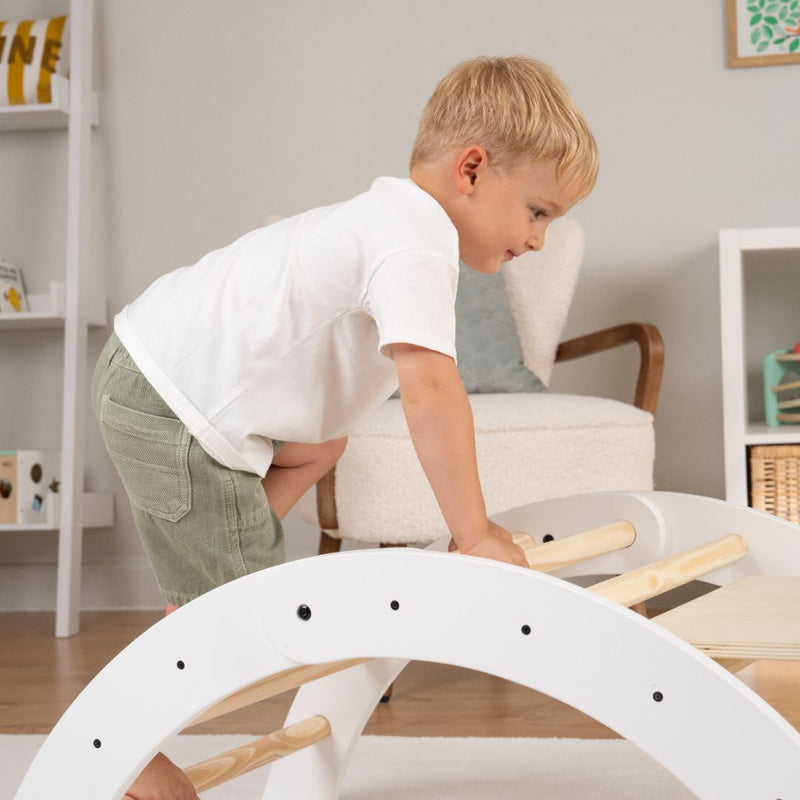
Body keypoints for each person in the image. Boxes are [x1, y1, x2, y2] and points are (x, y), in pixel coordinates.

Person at [91, 54, 598, 800]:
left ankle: (207, 574)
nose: (539, 240)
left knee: (323, 445)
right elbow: (431, 391)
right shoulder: (414, 240)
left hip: (160, 378)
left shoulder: (393, 219)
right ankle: (127, 746)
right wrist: (475, 534)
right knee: (249, 625)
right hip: (171, 404)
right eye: (539, 212)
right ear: (472, 170)